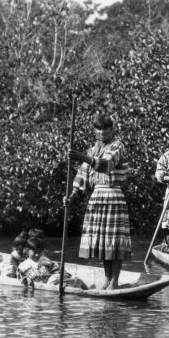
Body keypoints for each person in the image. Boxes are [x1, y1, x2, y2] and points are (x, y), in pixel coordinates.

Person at [66, 113, 132, 290]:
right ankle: (107, 278)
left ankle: (115, 281)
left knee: (114, 241)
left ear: (111, 130)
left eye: (106, 130)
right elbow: (82, 175)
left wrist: (80, 156)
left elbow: (105, 164)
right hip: (97, 197)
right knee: (103, 241)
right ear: (95, 132)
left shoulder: (117, 146)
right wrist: (71, 196)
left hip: (113, 195)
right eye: (99, 130)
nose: (102, 133)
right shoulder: (92, 149)